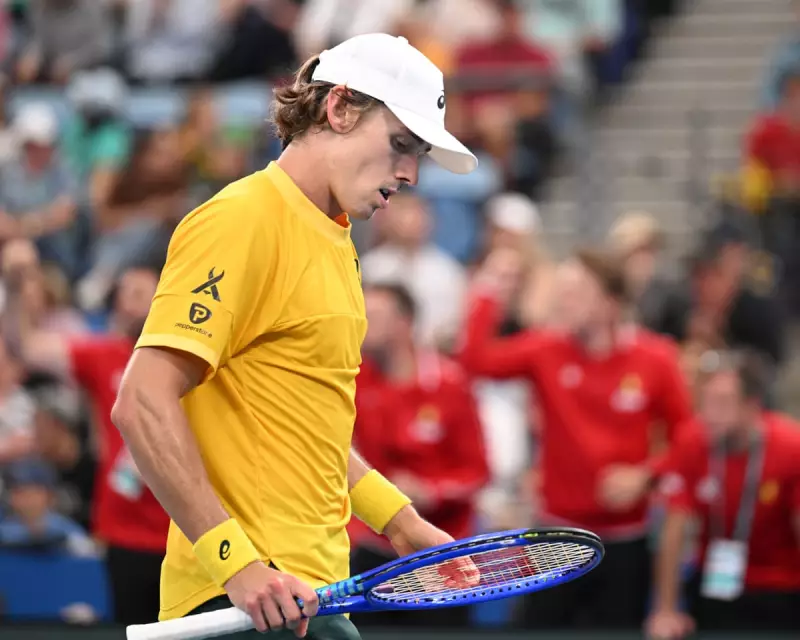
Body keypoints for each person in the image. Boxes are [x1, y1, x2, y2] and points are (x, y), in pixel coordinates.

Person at [111, 33, 479, 639]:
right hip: (247, 605)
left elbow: (301, 423)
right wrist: (238, 565)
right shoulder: (242, 219)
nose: (411, 172)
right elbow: (141, 402)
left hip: (309, 598)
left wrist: (396, 519)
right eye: (400, 145)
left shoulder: (337, 243)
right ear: (338, 109)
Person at [459, 246, 693, 630]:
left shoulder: (656, 358)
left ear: (610, 301)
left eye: (577, 291)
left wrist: (646, 475)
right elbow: (475, 362)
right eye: (562, 291)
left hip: (625, 542)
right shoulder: (545, 348)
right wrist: (489, 289)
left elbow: (688, 439)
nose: (563, 301)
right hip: (555, 538)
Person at [3, 256, 169, 626]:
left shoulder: (195, 359)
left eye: (139, 292)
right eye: (123, 293)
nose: (127, 302)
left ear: (165, 295)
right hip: (122, 533)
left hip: (184, 535)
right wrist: (15, 288)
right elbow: (27, 347)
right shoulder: (103, 354)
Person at [350, 283, 489, 629]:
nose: (363, 324)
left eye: (375, 316)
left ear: (404, 323)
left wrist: (431, 490)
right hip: (372, 552)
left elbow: (478, 471)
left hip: (441, 553)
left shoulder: (450, 383)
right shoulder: (352, 379)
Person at [646, 349, 800, 639]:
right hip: (714, 585)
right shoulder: (692, 439)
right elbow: (673, 529)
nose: (709, 414)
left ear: (752, 405)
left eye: (722, 403)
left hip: (781, 587)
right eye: (705, 402)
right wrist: (665, 609)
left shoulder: (791, 447)